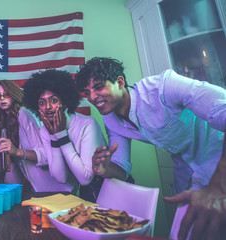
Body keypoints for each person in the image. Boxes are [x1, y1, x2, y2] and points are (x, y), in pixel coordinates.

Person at [75, 57, 226, 240]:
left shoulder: (164, 87)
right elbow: (122, 170)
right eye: (87, 92)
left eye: (98, 87)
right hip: (187, 172)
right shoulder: (110, 119)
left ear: (120, 82)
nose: (92, 97)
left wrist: (218, 185)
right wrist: (105, 169)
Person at [22, 69, 107, 199]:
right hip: (85, 193)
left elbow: (85, 179)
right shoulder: (45, 130)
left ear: (65, 101)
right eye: (42, 103)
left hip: (109, 189)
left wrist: (61, 135)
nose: (48, 107)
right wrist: (53, 136)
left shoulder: (87, 125)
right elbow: (60, 177)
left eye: (54, 100)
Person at [0, 80, 39, 187]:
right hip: (18, 170)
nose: (2, 98)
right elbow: (4, 157)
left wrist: (16, 152)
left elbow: (43, 155)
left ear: (13, 94)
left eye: (6, 94)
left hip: (39, 172)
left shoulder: (24, 113)